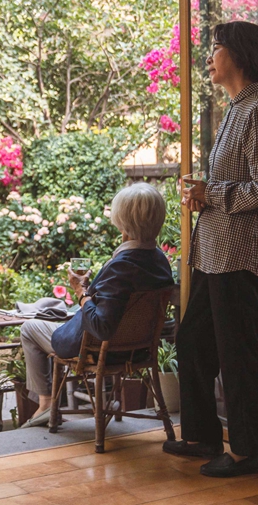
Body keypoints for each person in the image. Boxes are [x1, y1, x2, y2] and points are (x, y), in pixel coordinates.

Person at [164, 21, 258, 478]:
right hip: (214, 251)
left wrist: (210, 193)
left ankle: (245, 454)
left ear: (238, 55)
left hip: (239, 254)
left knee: (238, 354)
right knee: (194, 339)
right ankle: (201, 435)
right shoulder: (237, 108)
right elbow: (238, 184)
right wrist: (204, 190)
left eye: (216, 48)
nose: (209, 57)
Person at [18, 182, 174, 428]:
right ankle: (47, 404)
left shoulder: (120, 266)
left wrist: (80, 291)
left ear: (122, 223)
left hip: (95, 348)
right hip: (138, 350)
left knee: (29, 328)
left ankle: (46, 404)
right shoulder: (160, 261)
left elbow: (101, 326)